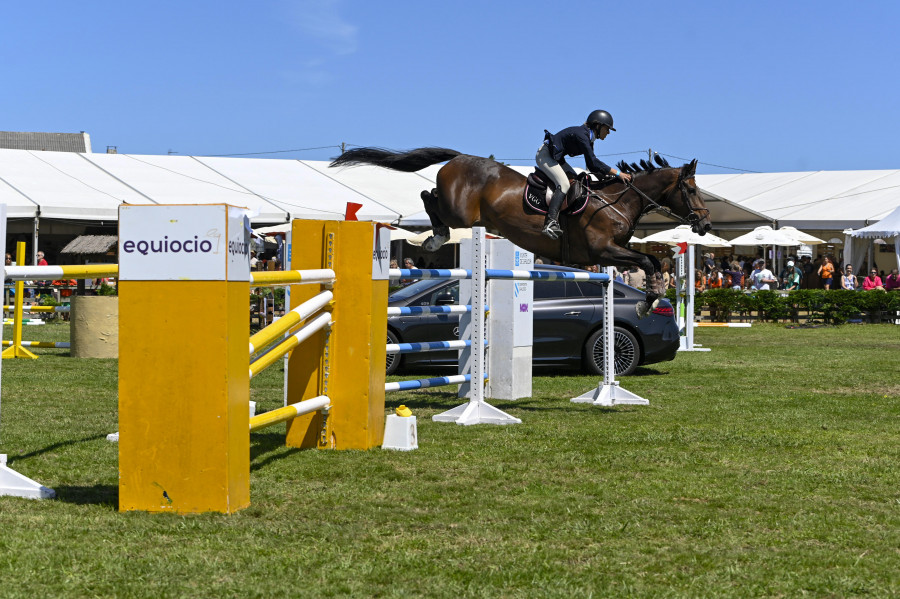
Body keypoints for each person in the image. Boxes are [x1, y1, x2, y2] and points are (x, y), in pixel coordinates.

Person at [536, 109, 632, 239]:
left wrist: (608, 179)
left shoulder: (588, 137)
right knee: (564, 184)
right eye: (607, 129)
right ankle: (550, 222)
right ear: (598, 126)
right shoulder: (582, 135)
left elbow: (592, 166)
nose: (608, 132)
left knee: (575, 181)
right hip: (545, 155)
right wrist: (617, 173)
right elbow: (593, 161)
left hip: (556, 158)